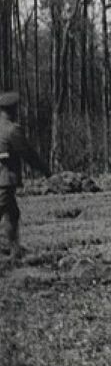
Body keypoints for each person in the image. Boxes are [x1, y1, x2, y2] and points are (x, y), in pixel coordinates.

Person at [0, 92, 50, 262]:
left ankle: (15, 252)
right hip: (5, 180)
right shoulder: (12, 129)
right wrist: (44, 170)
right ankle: (14, 251)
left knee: (13, 213)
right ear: (12, 110)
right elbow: (28, 154)